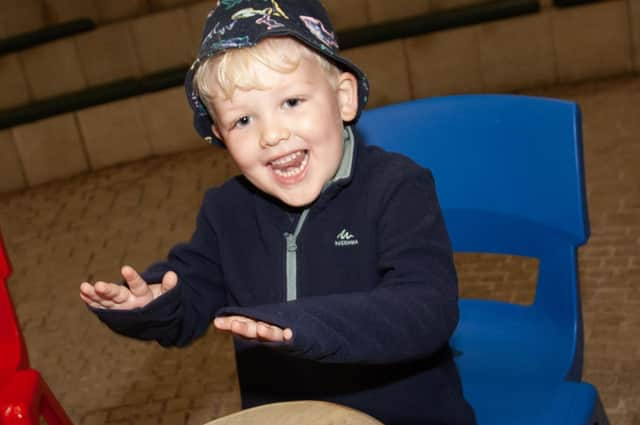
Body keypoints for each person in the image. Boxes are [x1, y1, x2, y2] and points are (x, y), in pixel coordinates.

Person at [79, 1, 476, 424]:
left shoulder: (396, 186)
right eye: (244, 120)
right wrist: (153, 303)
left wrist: (299, 325)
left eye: (291, 102)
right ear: (219, 135)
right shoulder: (226, 211)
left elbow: (426, 309)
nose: (272, 134)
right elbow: (191, 299)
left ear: (343, 98)